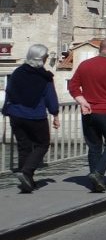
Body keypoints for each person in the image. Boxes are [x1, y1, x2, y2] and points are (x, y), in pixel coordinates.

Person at [68, 39, 106, 193]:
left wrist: (82, 102)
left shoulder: (85, 65)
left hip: (88, 113)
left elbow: (73, 86)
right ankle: (98, 173)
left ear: (100, 49)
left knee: (94, 146)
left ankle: (96, 182)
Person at [4, 44, 60, 193]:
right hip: (35, 115)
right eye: (47, 56)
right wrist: (55, 114)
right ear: (42, 58)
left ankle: (27, 183)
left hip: (15, 114)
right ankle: (27, 173)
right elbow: (50, 98)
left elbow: (9, 91)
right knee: (43, 144)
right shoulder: (44, 76)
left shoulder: (17, 72)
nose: (48, 58)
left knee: (24, 147)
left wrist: (7, 110)